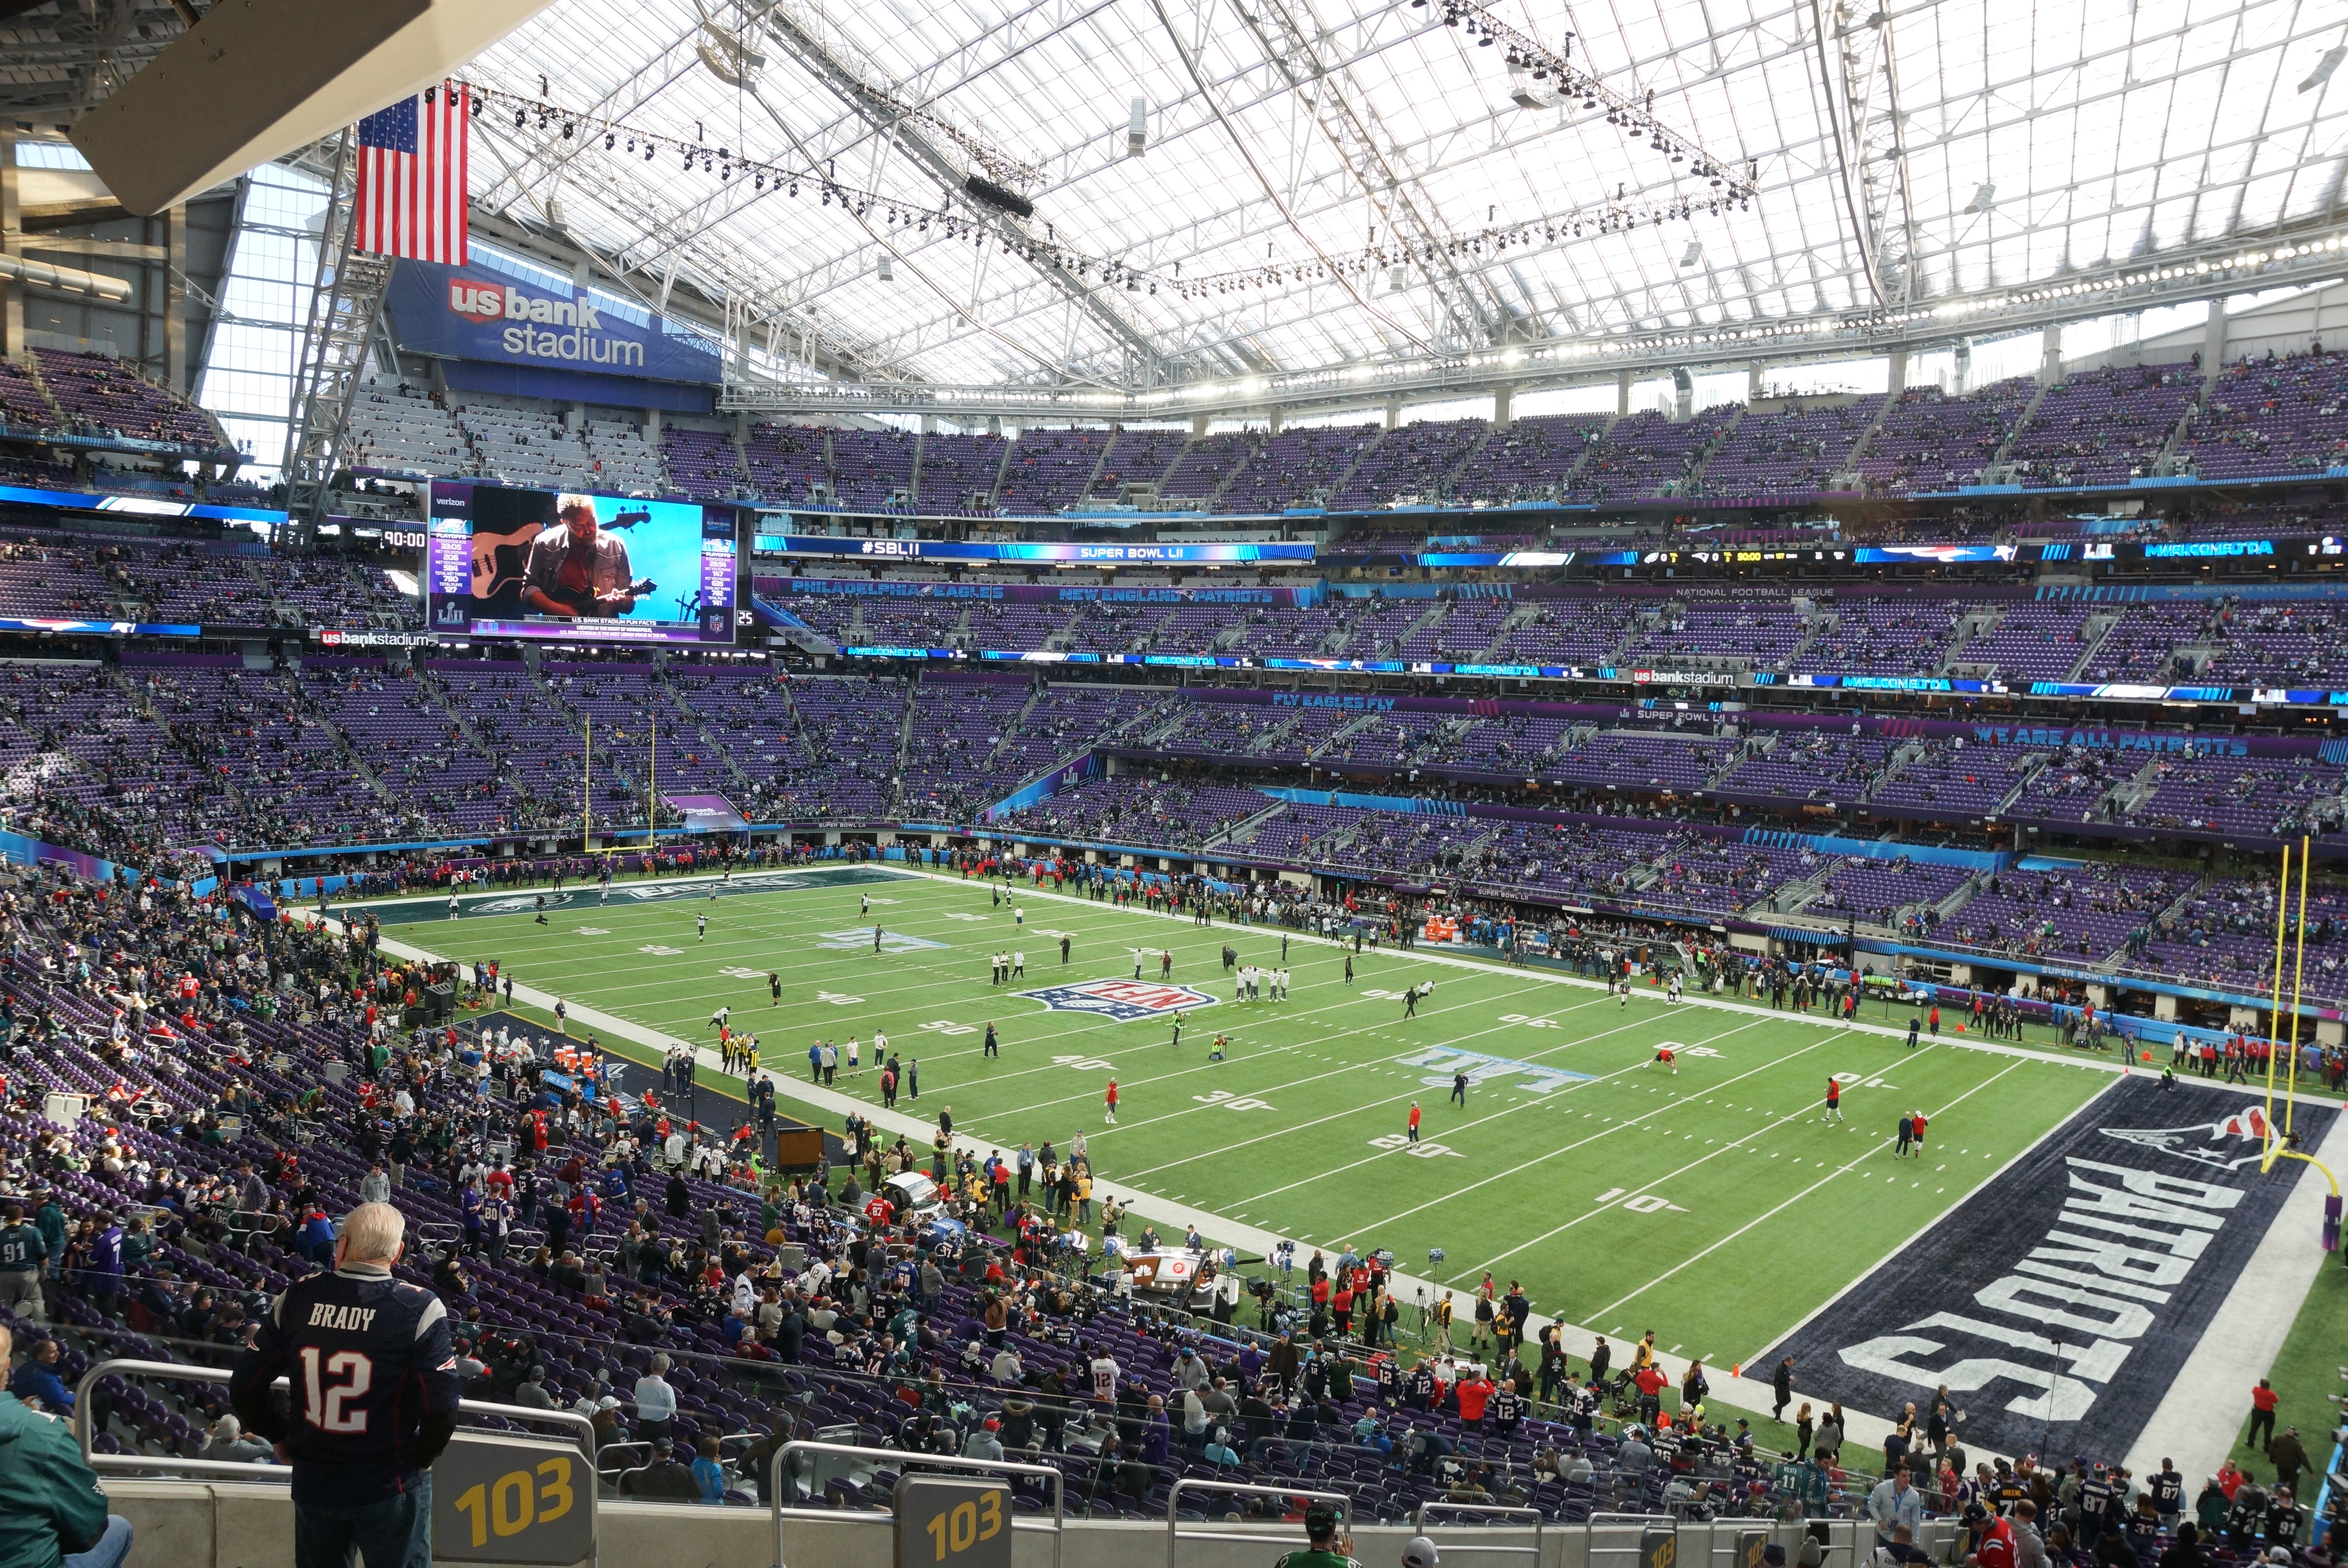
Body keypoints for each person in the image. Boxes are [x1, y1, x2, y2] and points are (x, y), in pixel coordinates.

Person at [228, 1202, 461, 1568]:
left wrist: (280, 1435)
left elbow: (245, 1386)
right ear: (398, 1253)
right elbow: (443, 1410)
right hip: (389, 1481)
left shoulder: (297, 1297)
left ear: (342, 1245)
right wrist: (421, 1460)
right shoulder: (420, 1308)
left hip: (315, 1478)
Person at [0, 1324, 131, 1568]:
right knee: (120, 1528)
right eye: (51, 1352)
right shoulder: (46, 1435)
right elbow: (91, 1529)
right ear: (7, 1366)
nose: (56, 1354)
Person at [521, 493, 641, 618]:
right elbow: (529, 589)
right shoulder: (545, 542)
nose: (589, 530)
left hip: (602, 631)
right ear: (565, 523)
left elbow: (629, 604)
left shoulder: (616, 545)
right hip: (557, 632)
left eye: (591, 521)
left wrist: (622, 601)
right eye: (579, 526)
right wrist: (559, 610)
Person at [1272, 1502, 1362, 1568]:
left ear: (1307, 1530)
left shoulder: (1288, 1562)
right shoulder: (1350, 1566)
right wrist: (1345, 1561)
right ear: (1334, 1530)